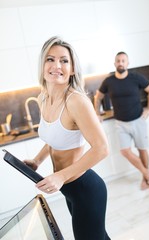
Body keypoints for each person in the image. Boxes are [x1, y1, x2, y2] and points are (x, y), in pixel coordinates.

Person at [24, 36, 111, 240]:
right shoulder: (43, 98)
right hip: (69, 188)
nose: (57, 65)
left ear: (72, 68)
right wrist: (37, 160)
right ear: (42, 65)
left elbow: (102, 148)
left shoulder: (77, 101)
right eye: (50, 59)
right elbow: (56, 137)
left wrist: (61, 176)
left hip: (86, 189)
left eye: (64, 60)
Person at [94, 51, 149, 191]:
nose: (120, 63)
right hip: (120, 123)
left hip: (138, 120)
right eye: (118, 60)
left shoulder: (136, 78)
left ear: (127, 63)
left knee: (142, 149)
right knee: (125, 151)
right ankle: (146, 172)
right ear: (115, 63)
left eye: (123, 60)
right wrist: (97, 113)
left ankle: (145, 180)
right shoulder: (109, 81)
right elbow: (98, 97)